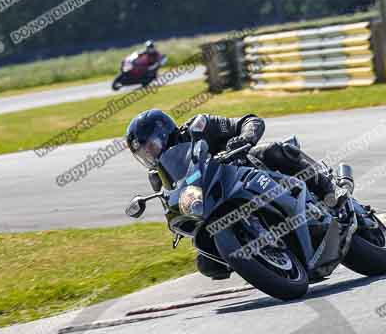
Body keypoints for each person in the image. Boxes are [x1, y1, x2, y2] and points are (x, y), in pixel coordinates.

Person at [125, 109, 343, 280]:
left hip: (246, 169)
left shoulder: (199, 126)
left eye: (150, 146)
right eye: (143, 153)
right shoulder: (158, 175)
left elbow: (249, 121)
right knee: (207, 264)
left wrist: (245, 137)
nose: (149, 154)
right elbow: (171, 195)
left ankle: (328, 190)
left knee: (273, 151)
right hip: (215, 203)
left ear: (163, 133)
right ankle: (260, 257)